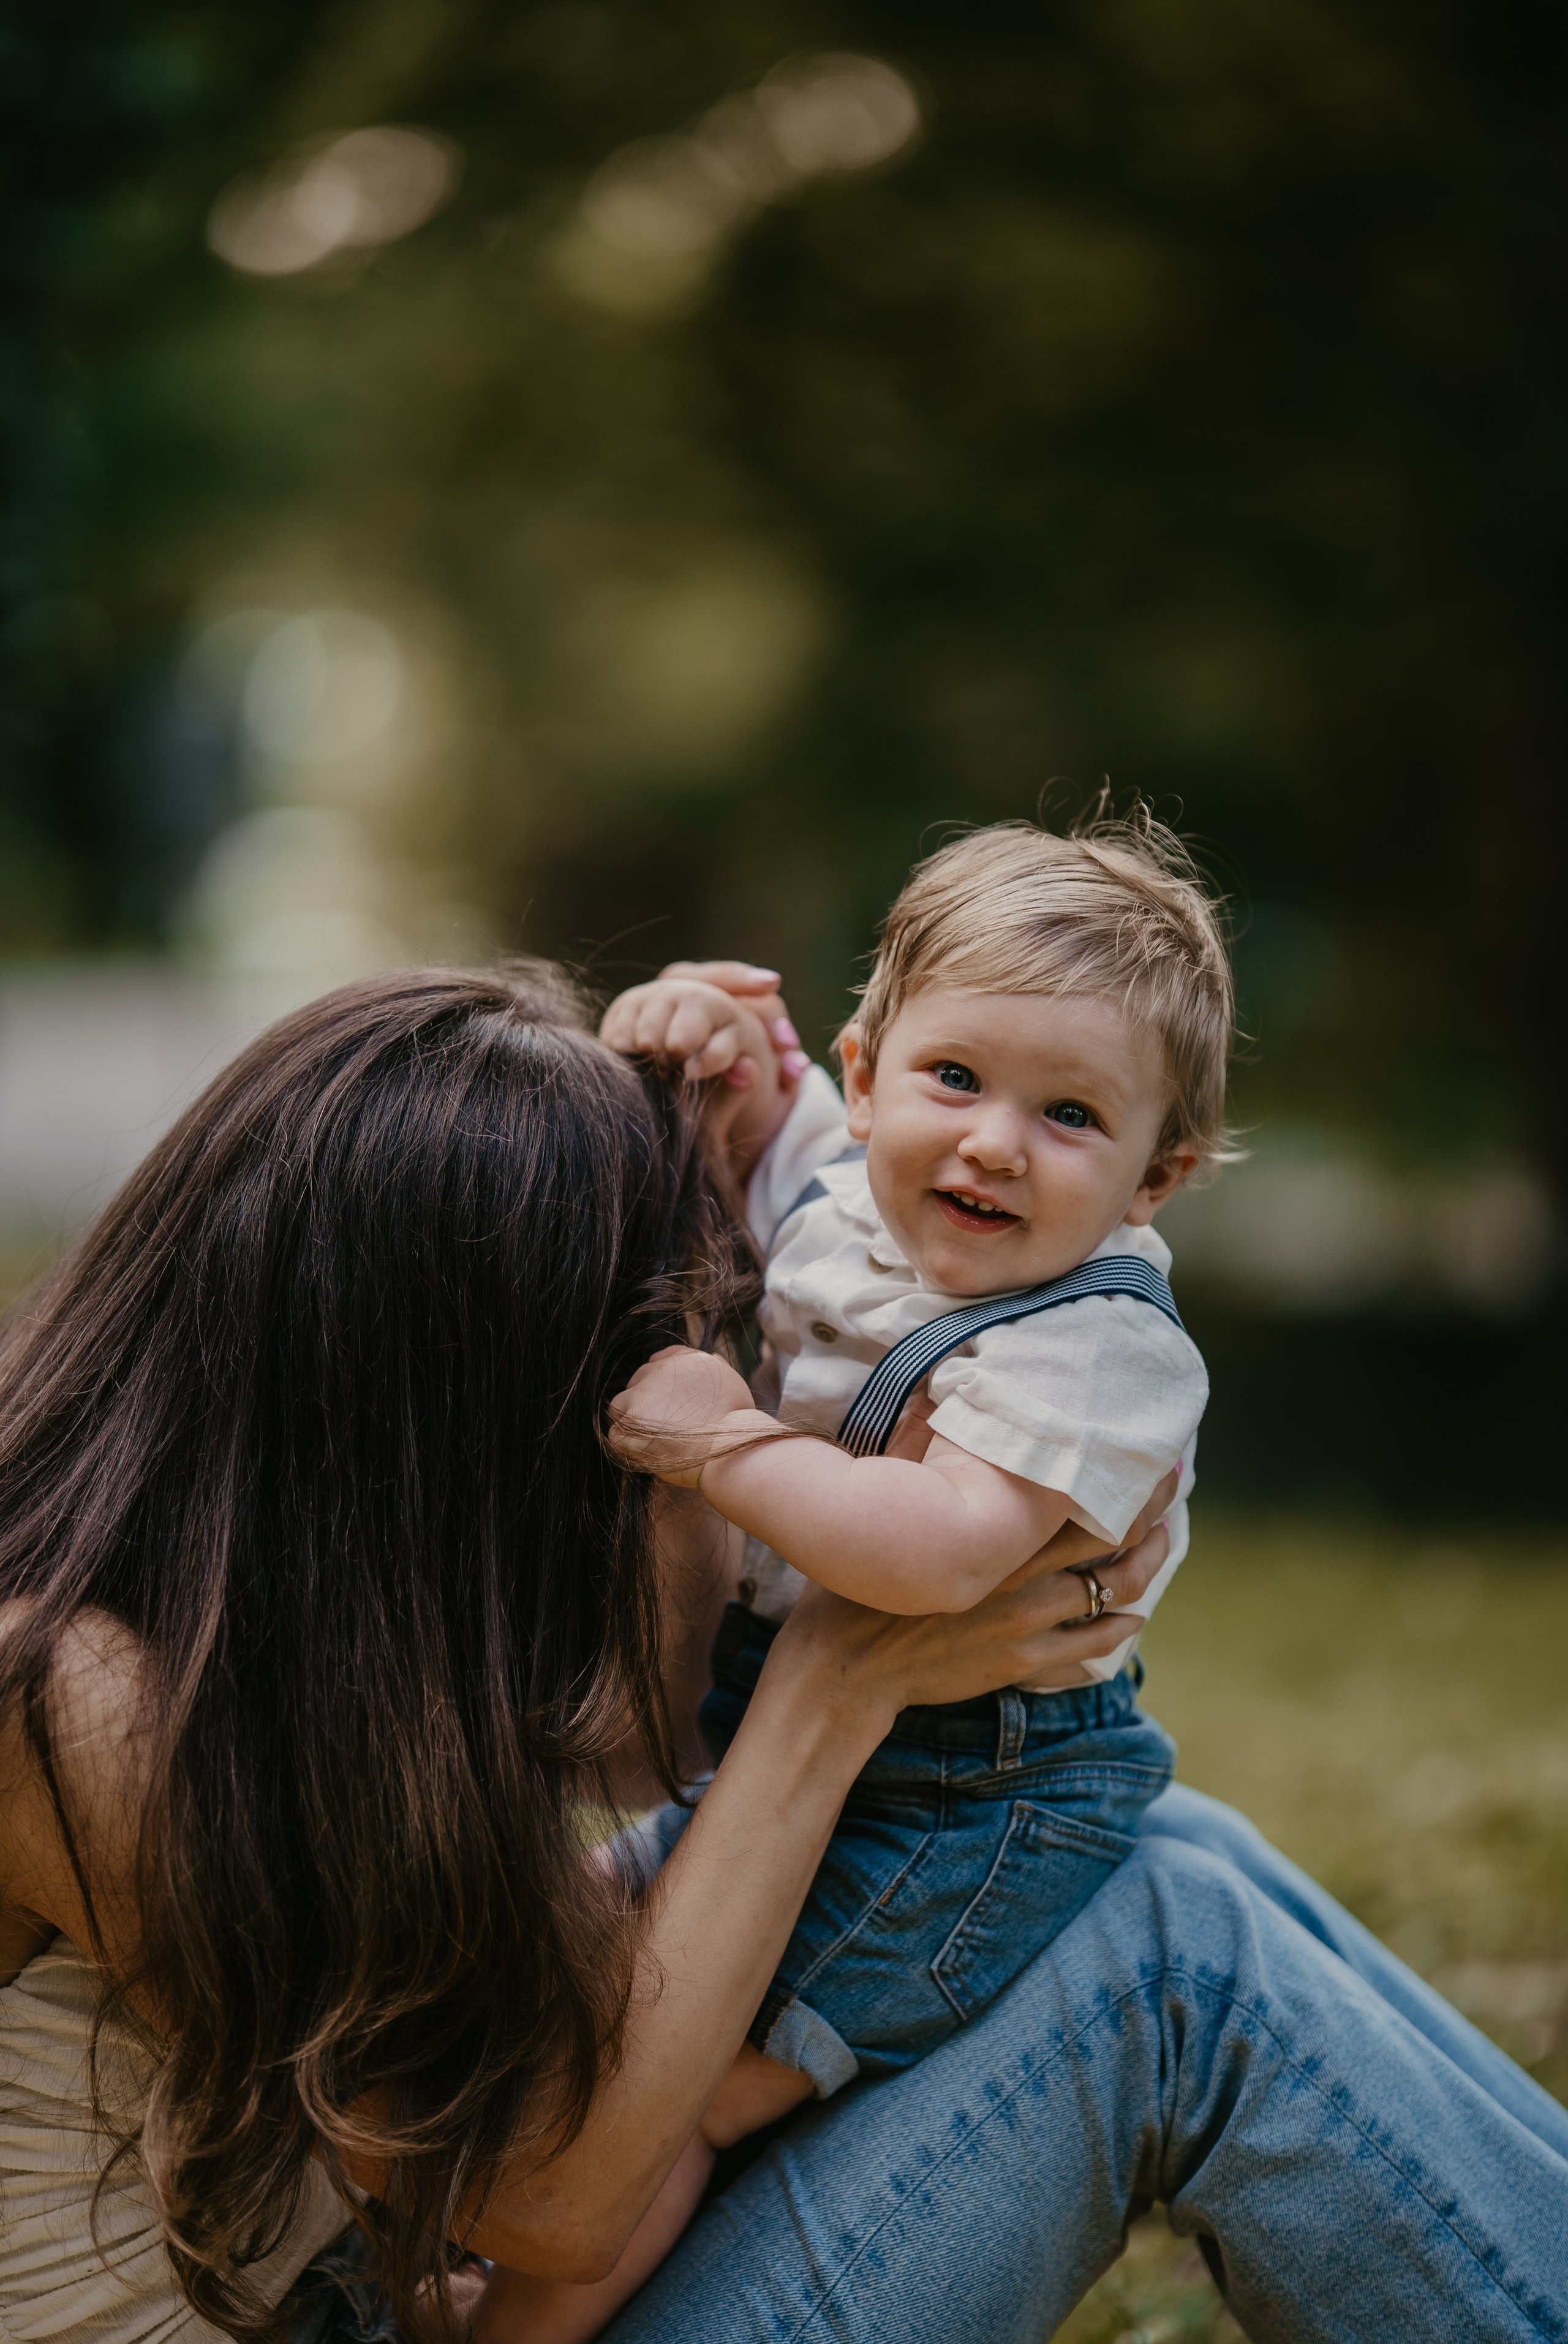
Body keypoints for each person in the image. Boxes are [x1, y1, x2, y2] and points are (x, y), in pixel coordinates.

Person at [2, 964, 1564, 2344]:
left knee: (1149, 1848)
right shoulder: (76, 1693)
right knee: (1165, 1955)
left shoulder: (255, 1618)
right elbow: (556, 2196)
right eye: (707, 1347)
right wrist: (841, 1670)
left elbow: (612, 1816)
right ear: (469, 1430)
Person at [599, 823, 1222, 2122]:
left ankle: (527, 2313)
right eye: (954, 1076)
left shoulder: (1093, 1342)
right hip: (784, 1734)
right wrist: (699, 1020)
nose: (993, 1142)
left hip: (965, 1803)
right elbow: (752, 1114)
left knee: (691, 2086)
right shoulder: (850, 1190)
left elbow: (933, 1551)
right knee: (596, 1963)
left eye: (1068, 1114)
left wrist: (721, 1443)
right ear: (865, 1078)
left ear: (1151, 1177)